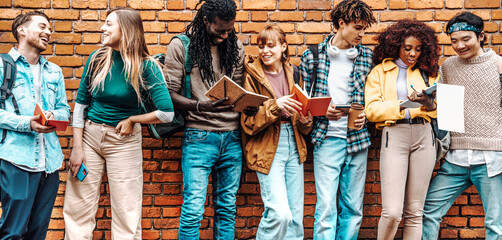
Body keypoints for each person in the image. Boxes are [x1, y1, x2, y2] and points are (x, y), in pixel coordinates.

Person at [63, 8, 174, 239]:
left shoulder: (147, 66)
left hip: (123, 142)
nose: (102, 28)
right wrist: (77, 147)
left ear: (126, 29)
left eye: (108, 24)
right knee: (78, 207)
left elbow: (166, 113)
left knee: (126, 210)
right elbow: (81, 106)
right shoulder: (97, 59)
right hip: (90, 138)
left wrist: (133, 119)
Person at [164, 0, 245, 239]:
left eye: (229, 29)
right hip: (199, 136)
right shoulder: (181, 46)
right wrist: (200, 105)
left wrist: (248, 104)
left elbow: (239, 88)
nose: (225, 35)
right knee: (193, 211)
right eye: (220, 29)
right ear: (205, 21)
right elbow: (168, 94)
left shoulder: (236, 46)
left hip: (232, 137)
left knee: (227, 209)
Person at [299, 0, 376, 239]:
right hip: (326, 138)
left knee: (353, 208)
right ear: (341, 24)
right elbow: (302, 101)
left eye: (364, 29)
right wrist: (322, 111)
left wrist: (365, 115)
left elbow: (374, 96)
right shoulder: (312, 56)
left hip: (357, 139)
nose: (362, 34)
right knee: (326, 207)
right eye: (357, 27)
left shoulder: (367, 57)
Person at [422, 12, 502, 240]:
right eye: (454, 40)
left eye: (466, 38)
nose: (459, 45)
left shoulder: (499, 65)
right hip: (455, 159)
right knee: (428, 211)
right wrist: (428, 102)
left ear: (481, 36)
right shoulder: (448, 66)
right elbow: (444, 111)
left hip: (491, 160)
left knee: (496, 224)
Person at [364, 19, 439, 240]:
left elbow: (437, 110)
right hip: (394, 136)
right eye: (407, 48)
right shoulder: (380, 72)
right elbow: (371, 110)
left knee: (415, 212)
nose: (413, 54)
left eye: (418, 49)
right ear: (396, 45)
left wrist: (427, 104)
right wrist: (401, 105)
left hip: (425, 137)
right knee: (393, 212)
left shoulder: (429, 72)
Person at [0, 11, 70, 239]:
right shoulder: (2, 67)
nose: (48, 32)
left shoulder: (54, 71)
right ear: (21, 30)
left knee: (38, 233)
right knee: (12, 232)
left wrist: (52, 114)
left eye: (49, 29)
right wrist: (26, 123)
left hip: (49, 166)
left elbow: (64, 111)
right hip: (16, 161)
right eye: (42, 26)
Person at [241, 25, 313, 240]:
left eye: (271, 46)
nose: (265, 51)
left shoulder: (295, 73)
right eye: (261, 46)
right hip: (267, 146)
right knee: (279, 214)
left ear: (283, 47)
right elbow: (248, 122)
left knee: (295, 219)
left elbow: (304, 123)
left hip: (294, 143)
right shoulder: (252, 77)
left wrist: (305, 119)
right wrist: (275, 106)